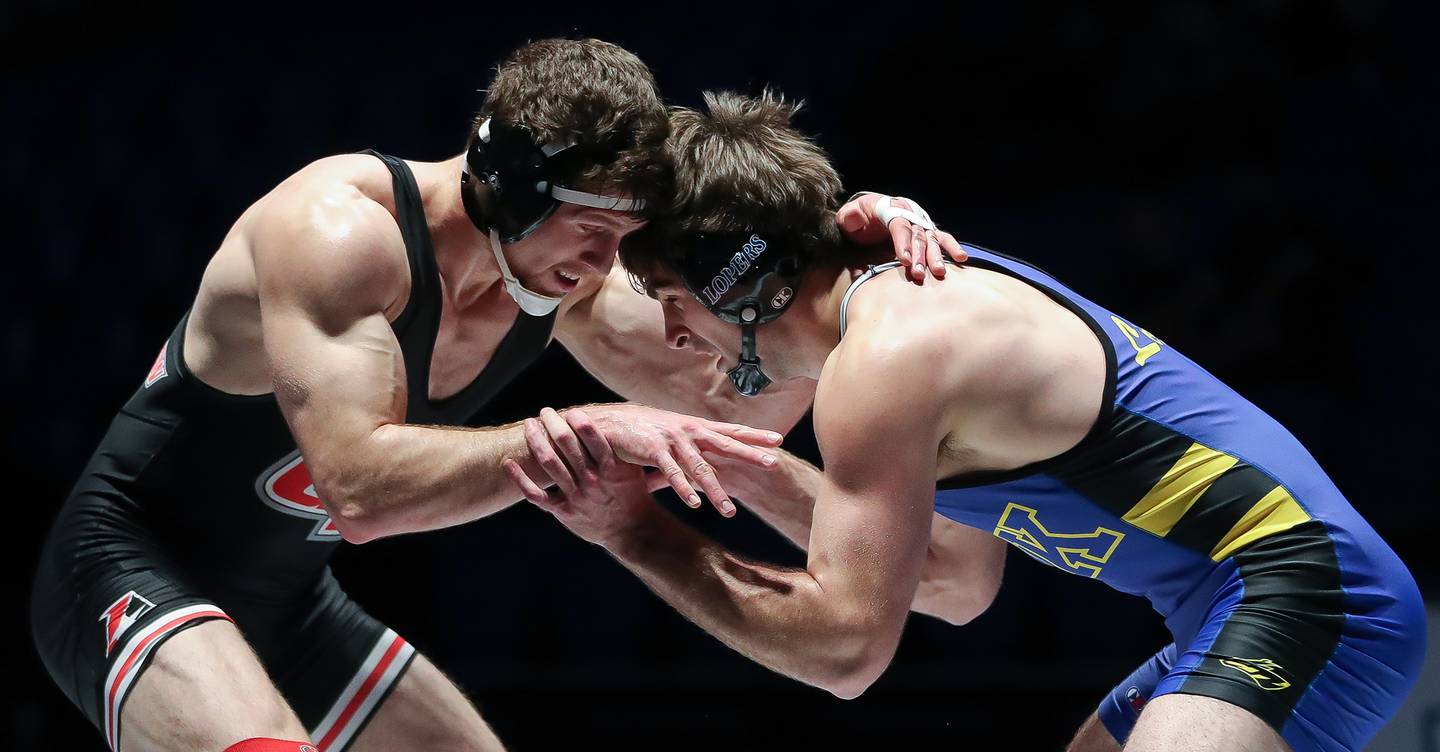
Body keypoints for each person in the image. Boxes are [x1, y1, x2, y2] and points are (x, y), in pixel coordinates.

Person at [507, 91, 1427, 752]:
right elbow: (954, 584)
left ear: (734, 278)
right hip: (1237, 611)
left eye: (672, 295)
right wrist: (743, 465)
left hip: (1313, 595)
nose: (672, 330)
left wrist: (634, 532)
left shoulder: (890, 358)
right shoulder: (885, 317)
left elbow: (845, 652)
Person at [30, 39, 793, 752]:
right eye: (591, 224)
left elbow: (740, 409)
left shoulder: (565, 280)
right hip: (122, 567)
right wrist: (576, 429)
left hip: (292, 606)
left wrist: (861, 278)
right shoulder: (338, 231)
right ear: (513, 189)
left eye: (625, 231)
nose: (605, 259)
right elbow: (360, 490)